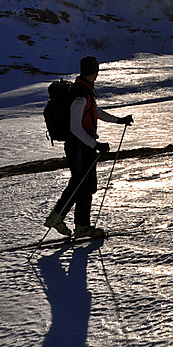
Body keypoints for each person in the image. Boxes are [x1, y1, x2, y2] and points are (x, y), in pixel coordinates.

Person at [45, 55, 133, 238]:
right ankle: (59, 218)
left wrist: (119, 121)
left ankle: (80, 226)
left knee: (84, 184)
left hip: (83, 145)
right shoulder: (80, 93)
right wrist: (96, 144)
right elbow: (75, 127)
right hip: (78, 146)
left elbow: (95, 112)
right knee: (80, 184)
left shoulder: (84, 90)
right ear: (95, 72)